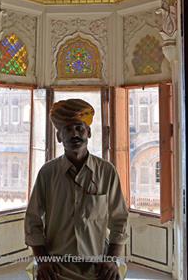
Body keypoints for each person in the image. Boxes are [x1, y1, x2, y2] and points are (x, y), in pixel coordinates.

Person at [24, 98, 129, 280]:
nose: (75, 134)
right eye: (68, 129)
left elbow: (119, 219)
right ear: (59, 136)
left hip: (98, 264)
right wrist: (43, 261)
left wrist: (111, 260)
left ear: (88, 132)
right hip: (56, 265)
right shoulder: (48, 173)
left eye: (80, 128)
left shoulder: (106, 171)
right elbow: (33, 220)